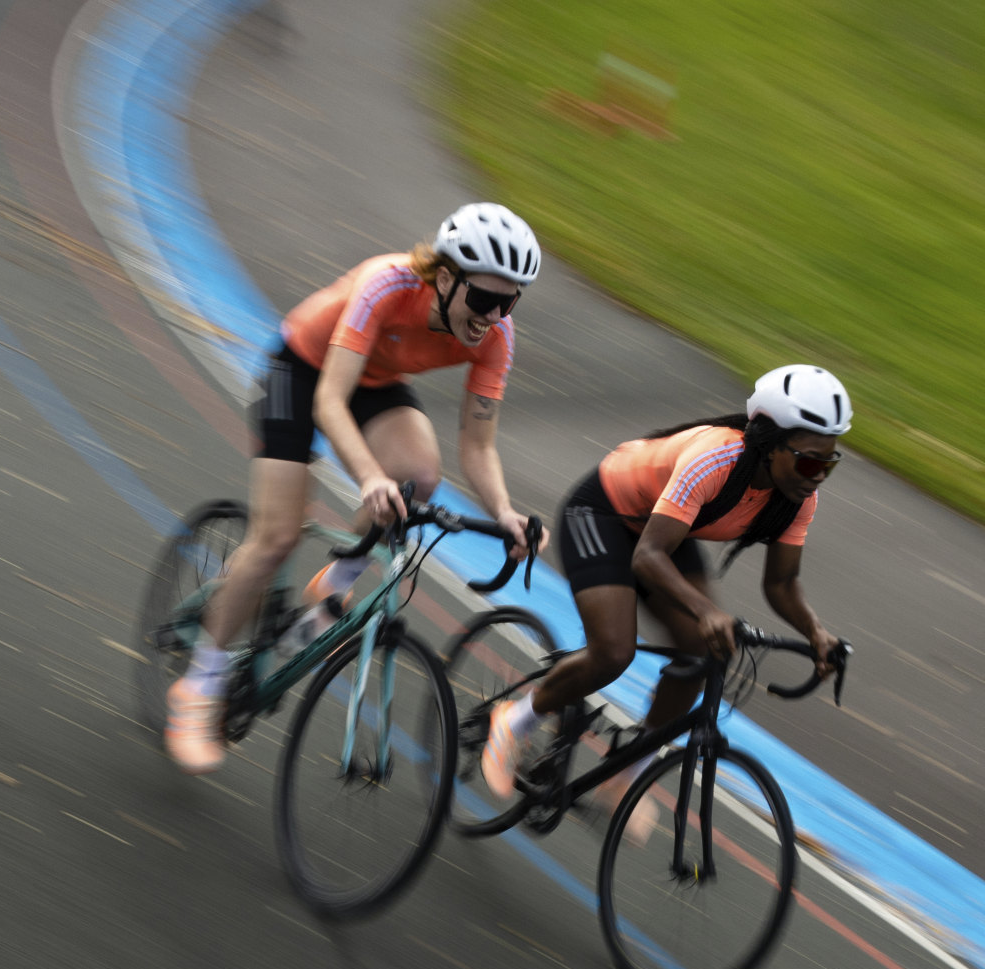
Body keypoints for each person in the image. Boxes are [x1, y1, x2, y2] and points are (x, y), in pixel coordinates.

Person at [167, 202, 547, 773]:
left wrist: (505, 512)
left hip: (375, 382)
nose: (493, 314)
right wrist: (368, 476)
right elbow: (328, 400)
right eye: (484, 298)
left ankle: (336, 577)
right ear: (445, 278)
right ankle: (199, 686)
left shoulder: (496, 337)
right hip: (303, 372)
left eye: (509, 300)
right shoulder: (386, 284)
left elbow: (478, 447)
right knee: (275, 538)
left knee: (420, 478)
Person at [481, 364, 852, 840]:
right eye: (808, 463)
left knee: (704, 651)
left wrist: (815, 633)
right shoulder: (716, 457)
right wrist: (705, 610)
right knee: (615, 651)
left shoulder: (799, 498)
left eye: (828, 464)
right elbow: (647, 556)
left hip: (666, 531)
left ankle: (626, 772)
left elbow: (782, 584)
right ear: (768, 440)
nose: (817, 477)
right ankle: (515, 720)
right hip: (604, 515)